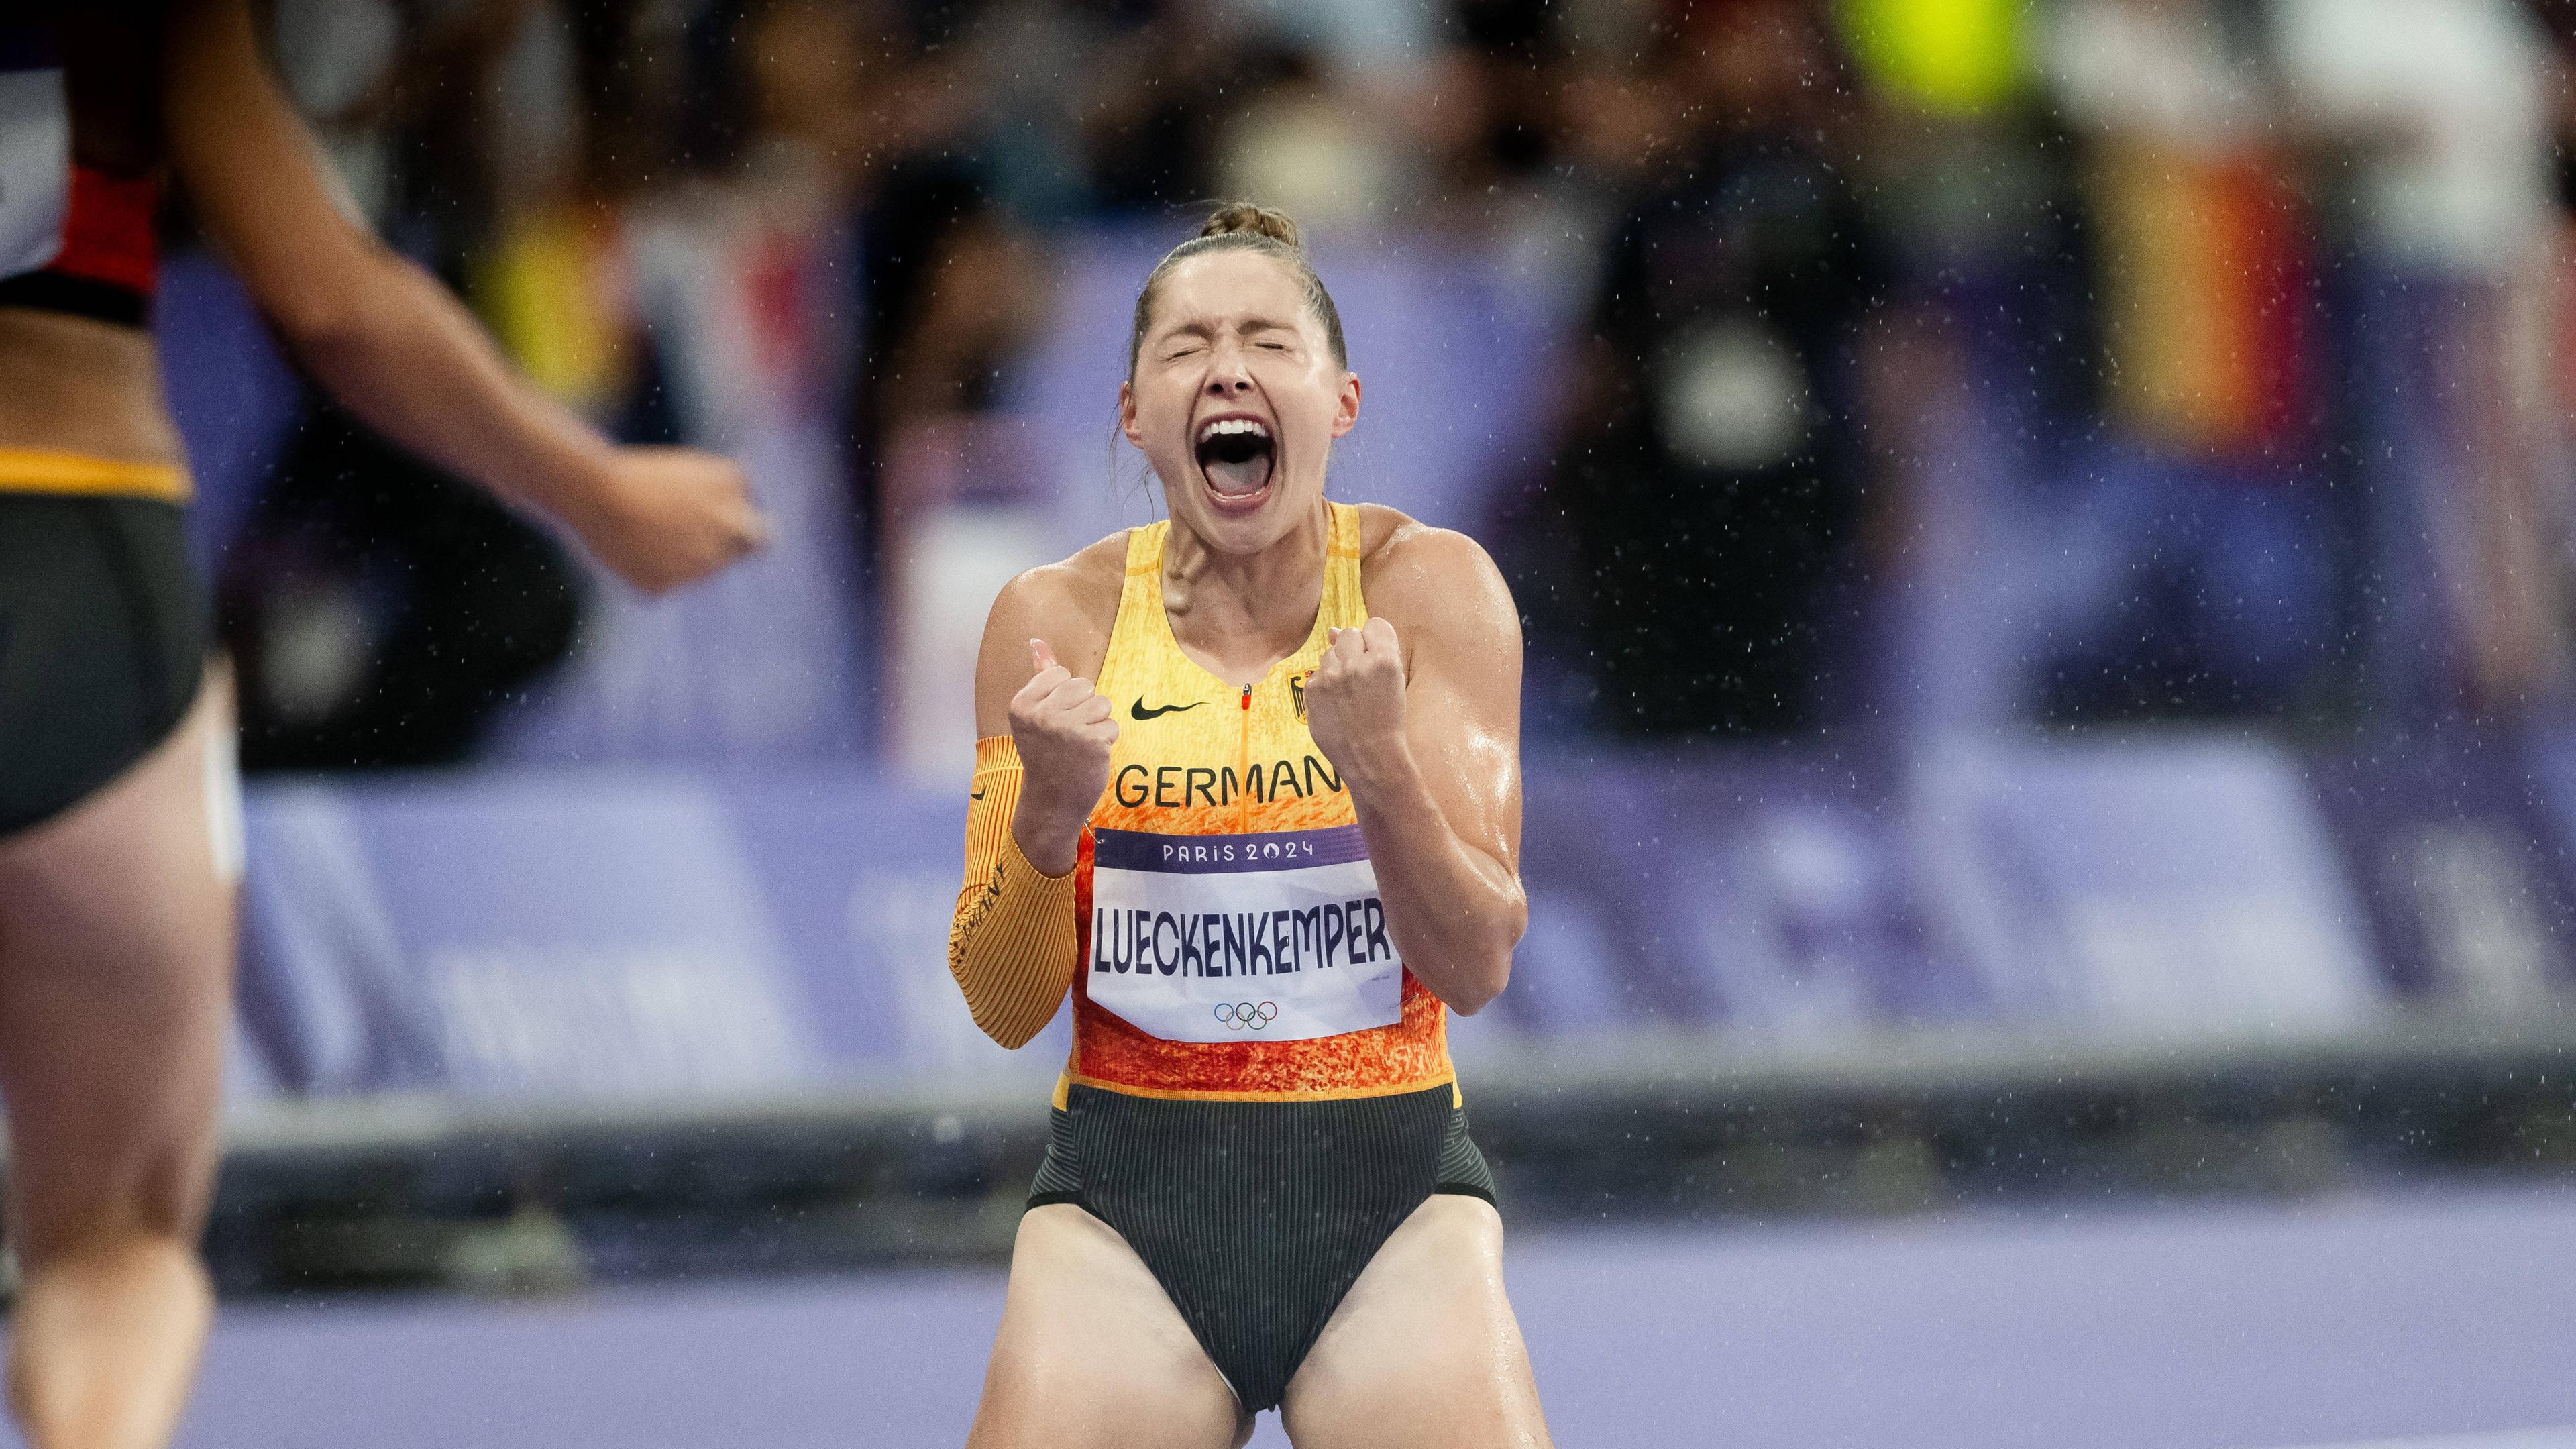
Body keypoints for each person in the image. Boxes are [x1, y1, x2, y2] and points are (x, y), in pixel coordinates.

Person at [0, 4, 763, 1446]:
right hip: (83, 573)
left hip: (94, 561)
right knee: (111, 1251)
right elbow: (335, 303)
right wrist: (600, 490)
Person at [947, 203, 1550, 1447]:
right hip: (1126, 1213)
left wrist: (1379, 767)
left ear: (1341, 402)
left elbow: (1478, 962)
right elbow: (1005, 1007)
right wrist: (1048, 821)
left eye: (1270, 342)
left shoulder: (1432, 593)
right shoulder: (1049, 621)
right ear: (1131, 414)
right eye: (1186, 348)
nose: (1227, 367)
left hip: (1389, 1206)